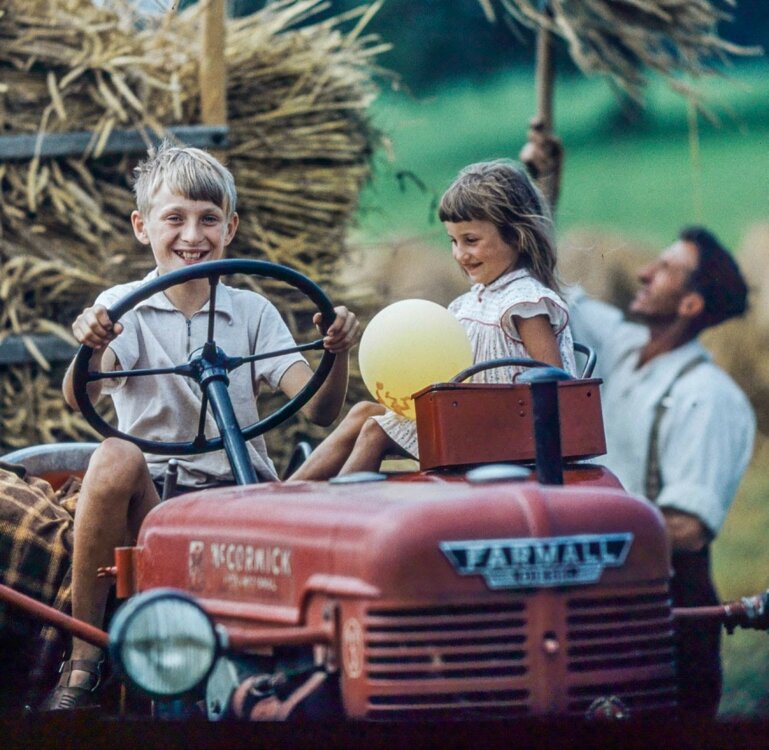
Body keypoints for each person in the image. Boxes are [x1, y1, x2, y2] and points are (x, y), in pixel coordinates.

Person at [40, 142, 360, 711]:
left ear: (230, 227)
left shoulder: (254, 312)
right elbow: (78, 396)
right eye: (175, 218)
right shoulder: (123, 310)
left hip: (242, 499)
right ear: (142, 227)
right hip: (156, 503)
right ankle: (84, 658)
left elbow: (316, 409)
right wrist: (92, 345)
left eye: (209, 219)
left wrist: (337, 354)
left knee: (367, 421)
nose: (194, 234)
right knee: (114, 454)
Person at [566, 226, 755, 718]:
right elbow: (551, 292)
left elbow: (688, 530)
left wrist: (569, 536)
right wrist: (544, 180)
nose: (643, 272)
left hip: (666, 610)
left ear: (691, 305)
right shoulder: (622, 346)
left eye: (666, 269)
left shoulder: (710, 397)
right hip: (601, 595)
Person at [291, 159, 577, 480]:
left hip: (510, 433)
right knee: (363, 412)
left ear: (516, 237)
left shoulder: (524, 302)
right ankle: (282, 498)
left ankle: (340, 515)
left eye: (471, 240)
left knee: (375, 430)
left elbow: (554, 387)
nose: (459, 254)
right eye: (453, 241)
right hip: (474, 421)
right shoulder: (470, 301)